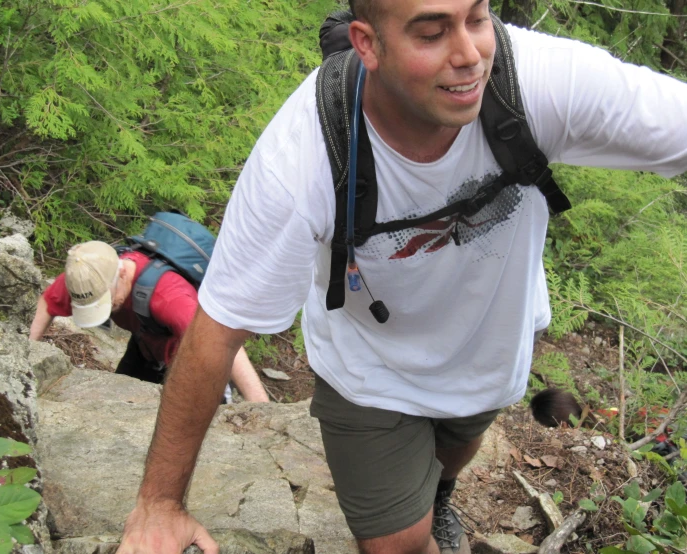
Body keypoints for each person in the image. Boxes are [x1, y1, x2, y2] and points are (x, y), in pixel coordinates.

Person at [117, 0, 687, 552]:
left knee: (458, 442)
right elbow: (217, 328)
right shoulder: (304, 155)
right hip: (370, 362)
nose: (469, 54)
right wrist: (159, 506)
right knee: (396, 543)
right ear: (368, 43)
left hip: (488, 341)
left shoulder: (535, 84)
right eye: (431, 32)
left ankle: (440, 494)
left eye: (477, 17)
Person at [29, 241, 269, 403]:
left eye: (105, 301)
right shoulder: (87, 277)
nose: (103, 309)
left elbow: (222, 343)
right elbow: (48, 303)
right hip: (146, 348)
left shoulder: (168, 298)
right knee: (119, 405)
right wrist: (25, 363)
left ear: (122, 272)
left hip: (192, 359)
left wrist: (261, 408)